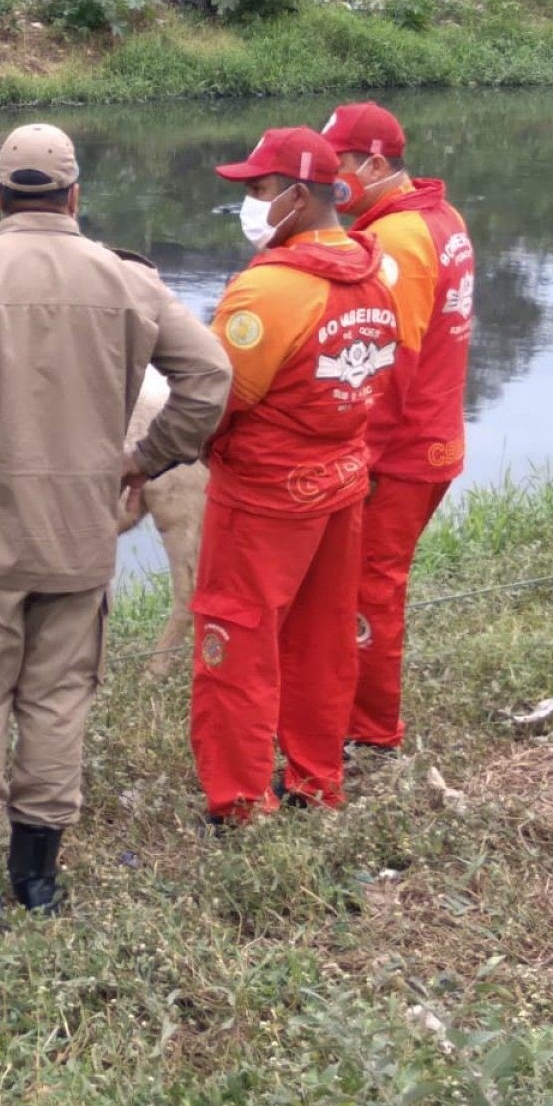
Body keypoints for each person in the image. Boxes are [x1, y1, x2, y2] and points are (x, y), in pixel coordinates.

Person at [0, 124, 230, 925]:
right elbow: (209, 377)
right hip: (78, 542)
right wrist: (145, 458)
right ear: (73, 198)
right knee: (59, 703)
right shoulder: (128, 279)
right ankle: (38, 883)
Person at [191, 127, 398, 822]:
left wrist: (153, 454)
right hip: (342, 481)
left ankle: (241, 801)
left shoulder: (270, 292)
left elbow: (214, 403)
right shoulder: (375, 272)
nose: (250, 205)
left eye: (259, 190)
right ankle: (317, 780)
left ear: (301, 197)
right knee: (323, 639)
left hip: (263, 498)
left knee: (237, 642)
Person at [324, 103, 474, 757]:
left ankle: (371, 734)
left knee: (369, 590)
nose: (328, 186)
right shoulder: (442, 218)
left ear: (376, 165)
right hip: (435, 438)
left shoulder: (402, 242)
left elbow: (391, 362)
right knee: (372, 585)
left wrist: (357, 459)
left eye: (338, 170)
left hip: (404, 452)